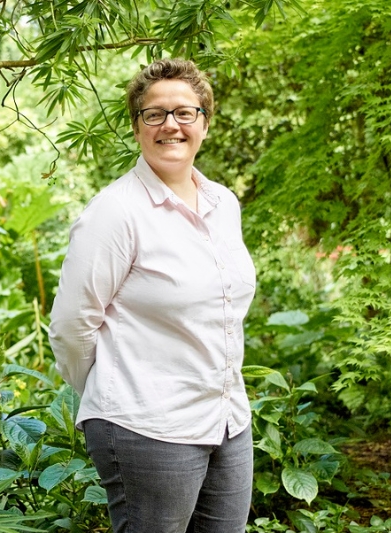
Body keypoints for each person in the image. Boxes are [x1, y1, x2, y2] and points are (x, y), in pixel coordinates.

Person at [48, 58, 257, 533]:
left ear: (205, 121)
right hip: (147, 425)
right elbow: (70, 326)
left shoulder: (224, 203)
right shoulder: (115, 212)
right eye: (154, 114)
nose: (171, 126)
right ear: (137, 126)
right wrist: (116, 392)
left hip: (227, 418)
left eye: (185, 112)